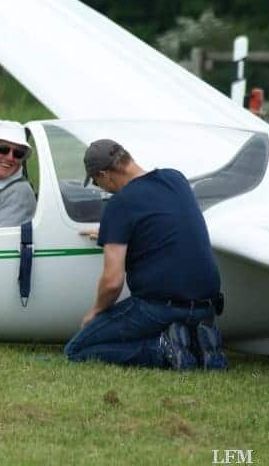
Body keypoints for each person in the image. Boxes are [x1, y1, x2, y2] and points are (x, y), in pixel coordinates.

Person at [64, 139, 227, 370]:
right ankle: (200, 345)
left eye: (97, 182)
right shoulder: (175, 179)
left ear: (104, 174)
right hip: (206, 306)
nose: (101, 188)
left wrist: (96, 311)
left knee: (76, 350)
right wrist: (113, 233)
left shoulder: (119, 204)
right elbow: (164, 224)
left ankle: (163, 350)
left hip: (160, 308)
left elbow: (112, 282)